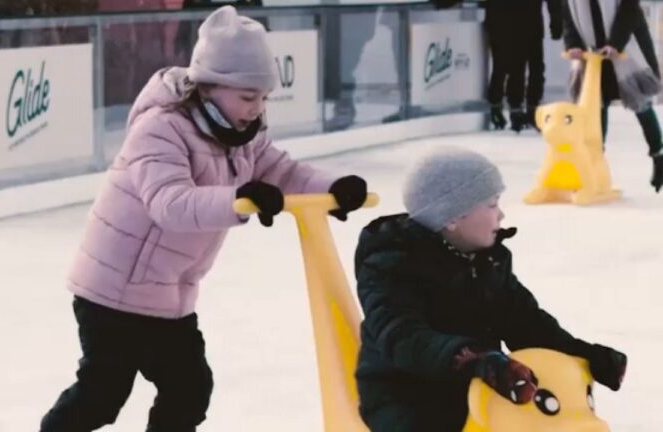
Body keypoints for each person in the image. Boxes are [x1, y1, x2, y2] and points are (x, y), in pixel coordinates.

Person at [39, 6, 368, 432]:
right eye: (247, 98)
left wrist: (334, 187)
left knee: (190, 388)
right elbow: (169, 203)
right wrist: (238, 198)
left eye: (264, 98)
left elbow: (282, 172)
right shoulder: (161, 128)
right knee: (103, 395)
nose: (256, 109)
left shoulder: (242, 136)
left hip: (169, 294)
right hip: (113, 292)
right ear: (209, 87)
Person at [354, 147, 626, 431]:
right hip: (406, 394)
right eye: (492, 204)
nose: (501, 215)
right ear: (453, 216)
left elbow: (524, 320)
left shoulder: (489, 260)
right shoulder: (393, 265)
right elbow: (403, 338)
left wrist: (582, 354)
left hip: (481, 380)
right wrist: (473, 358)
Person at [564, 0, 663, 192]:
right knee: (596, 103)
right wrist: (573, 44)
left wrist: (615, 43)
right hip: (592, 49)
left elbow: (630, 9)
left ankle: (659, 156)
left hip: (627, 45)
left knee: (639, 100)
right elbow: (568, 16)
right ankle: (594, 163)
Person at [485, 0, 562, 132]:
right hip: (514, 18)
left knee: (527, 65)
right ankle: (521, 108)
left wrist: (556, 21)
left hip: (523, 18)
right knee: (522, 64)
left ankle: (524, 108)